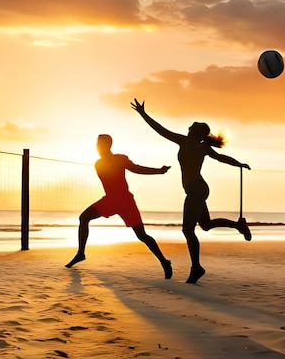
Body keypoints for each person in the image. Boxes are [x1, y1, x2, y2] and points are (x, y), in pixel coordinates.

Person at [131, 99, 251, 284]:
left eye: (192, 126)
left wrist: (143, 114)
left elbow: (160, 130)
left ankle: (196, 268)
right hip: (199, 189)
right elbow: (221, 158)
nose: (189, 127)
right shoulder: (203, 146)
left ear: (197, 133)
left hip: (196, 189)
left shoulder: (186, 141)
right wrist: (238, 164)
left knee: (188, 229)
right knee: (206, 224)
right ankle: (237, 226)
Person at [65, 134, 173, 279]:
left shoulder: (119, 159)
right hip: (110, 200)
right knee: (84, 218)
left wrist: (158, 171)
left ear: (108, 145)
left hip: (125, 201)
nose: (97, 147)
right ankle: (80, 253)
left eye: (100, 144)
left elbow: (136, 169)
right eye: (97, 144)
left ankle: (164, 262)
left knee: (141, 235)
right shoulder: (99, 163)